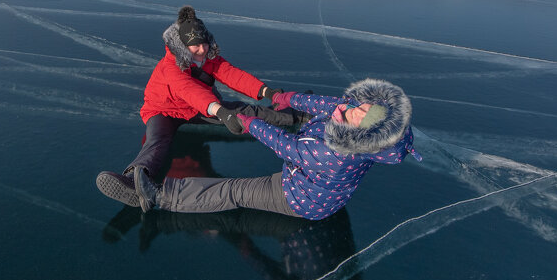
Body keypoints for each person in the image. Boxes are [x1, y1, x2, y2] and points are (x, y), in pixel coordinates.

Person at [97, 77, 420, 219]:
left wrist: (248, 122)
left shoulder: (333, 153)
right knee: (309, 115)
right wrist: (284, 98)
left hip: (303, 200)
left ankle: (156, 196)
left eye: (356, 112)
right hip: (316, 182)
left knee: (234, 191)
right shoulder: (365, 126)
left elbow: (286, 146)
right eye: (360, 105)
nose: (351, 107)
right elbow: (326, 102)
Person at [114, 5, 304, 194]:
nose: (202, 49)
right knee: (157, 140)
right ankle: (134, 179)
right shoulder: (170, 66)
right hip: (163, 110)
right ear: (183, 45)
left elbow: (233, 75)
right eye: (196, 45)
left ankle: (296, 115)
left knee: (242, 110)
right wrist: (221, 112)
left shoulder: (209, 58)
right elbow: (188, 90)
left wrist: (267, 92)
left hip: (195, 108)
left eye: (205, 43)